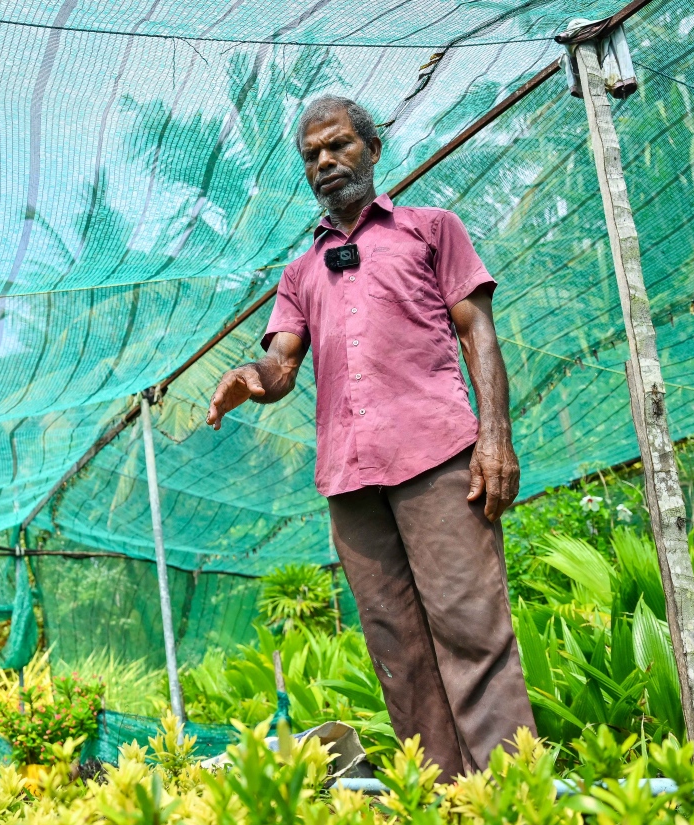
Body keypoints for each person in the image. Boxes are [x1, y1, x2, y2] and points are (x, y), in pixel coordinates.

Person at [205, 96, 535, 780]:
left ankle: (515, 814)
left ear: (373, 149)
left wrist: (495, 437)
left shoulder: (429, 230)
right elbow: (283, 365)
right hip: (350, 482)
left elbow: (478, 330)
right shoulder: (300, 273)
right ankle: (443, 815)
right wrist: (251, 376)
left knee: (471, 631)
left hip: (439, 460)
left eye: (337, 146)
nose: (324, 162)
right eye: (311, 156)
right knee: (399, 655)